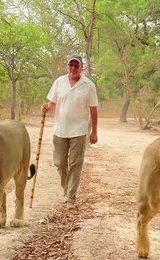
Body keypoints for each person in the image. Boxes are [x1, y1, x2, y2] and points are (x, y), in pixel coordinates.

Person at [40, 54, 99, 205]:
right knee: (59, 163)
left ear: (81, 67)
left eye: (76, 65)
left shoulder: (89, 85)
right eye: (70, 65)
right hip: (60, 129)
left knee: (75, 163)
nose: (73, 68)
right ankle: (67, 189)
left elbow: (93, 109)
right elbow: (52, 103)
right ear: (67, 66)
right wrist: (46, 108)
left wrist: (94, 131)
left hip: (79, 131)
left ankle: (70, 198)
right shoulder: (59, 82)